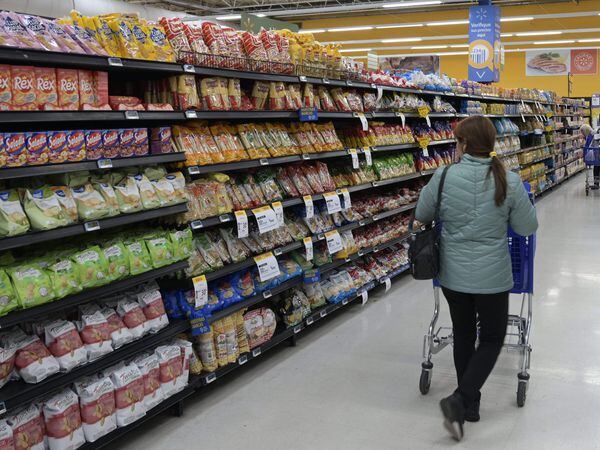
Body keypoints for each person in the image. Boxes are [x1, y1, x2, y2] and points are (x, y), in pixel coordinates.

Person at [415, 116, 538, 441]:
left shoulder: (443, 176)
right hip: (493, 277)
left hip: (453, 276)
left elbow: (422, 214)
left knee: (464, 334)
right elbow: (528, 228)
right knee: (493, 338)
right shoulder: (508, 180)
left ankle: (469, 403)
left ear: (465, 145)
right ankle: (461, 400)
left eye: (457, 141)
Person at [580, 124, 598, 188]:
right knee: (597, 167)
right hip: (597, 154)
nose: (582, 133)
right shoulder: (593, 133)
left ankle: (596, 184)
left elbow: (587, 147)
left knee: (596, 168)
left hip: (596, 156)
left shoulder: (590, 136)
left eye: (583, 132)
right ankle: (596, 183)